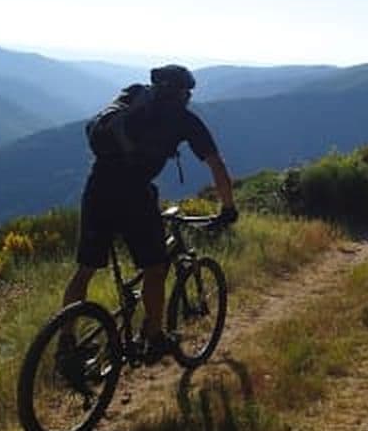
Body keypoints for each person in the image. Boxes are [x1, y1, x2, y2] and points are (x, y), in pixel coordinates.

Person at [60, 64, 238, 369]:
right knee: (156, 267)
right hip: (134, 196)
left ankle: (66, 345)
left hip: (98, 186)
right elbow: (216, 165)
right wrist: (228, 208)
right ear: (183, 93)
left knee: (85, 269)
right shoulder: (184, 120)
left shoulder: (133, 97)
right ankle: (154, 336)